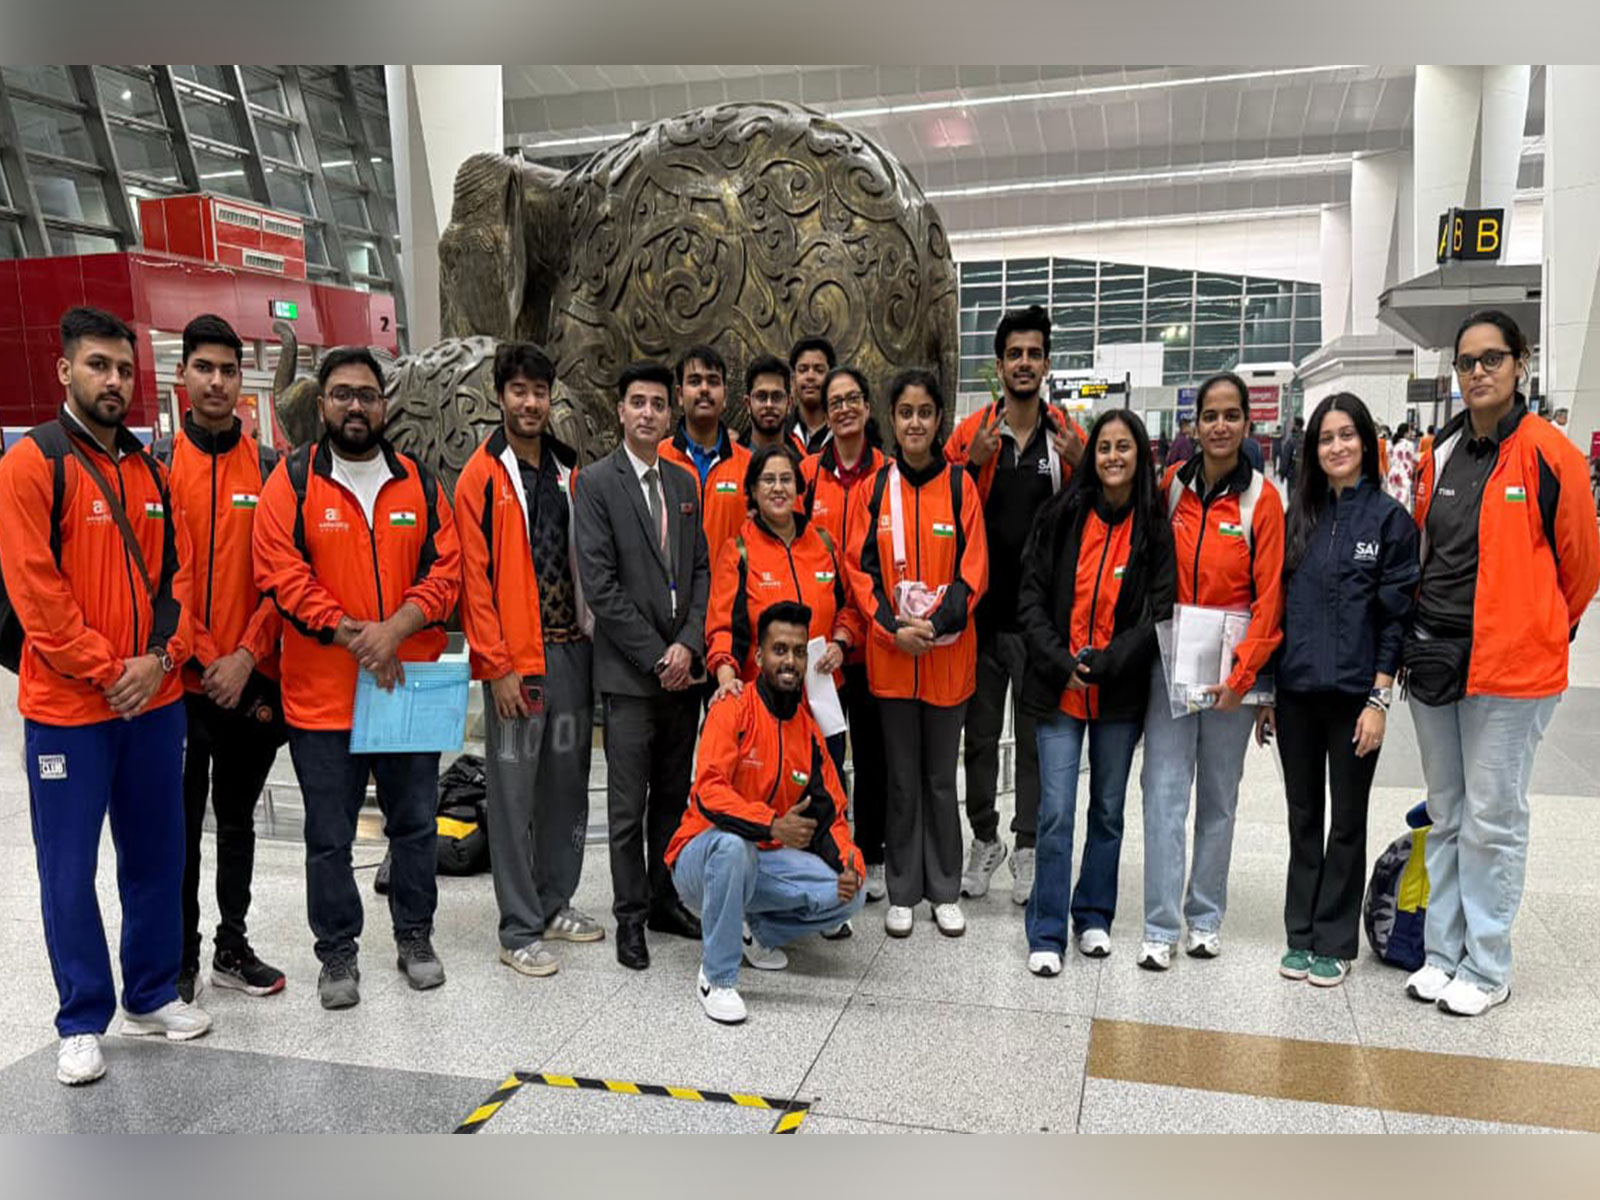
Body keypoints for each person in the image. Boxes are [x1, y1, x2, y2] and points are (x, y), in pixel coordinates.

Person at [0, 306, 207, 1086]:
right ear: (65, 371)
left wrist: (159, 661)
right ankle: (80, 1018)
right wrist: (106, 668)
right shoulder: (32, 465)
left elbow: (175, 582)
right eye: (98, 366)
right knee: (67, 866)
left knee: (156, 853)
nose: (114, 381)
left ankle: (150, 993)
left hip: (153, 705)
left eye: (124, 369)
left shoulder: (149, 471)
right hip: (70, 715)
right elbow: (35, 593)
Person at [1402, 309, 1598, 1016]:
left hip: (1510, 673)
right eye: (1466, 362)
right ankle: (1441, 954)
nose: (1477, 372)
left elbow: (1581, 567)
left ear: (1521, 364)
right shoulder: (1439, 453)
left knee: (1493, 817)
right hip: (1435, 664)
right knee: (1449, 813)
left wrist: (1542, 625)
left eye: (1491, 359)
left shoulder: (1551, 454)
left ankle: (1487, 967)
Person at [254, 346, 462, 1010]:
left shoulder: (419, 483)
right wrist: (355, 635)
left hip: (403, 691)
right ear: (321, 406)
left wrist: (393, 631)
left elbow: (446, 571)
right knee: (329, 838)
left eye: (366, 394)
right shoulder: (292, 482)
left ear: (384, 405)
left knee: (415, 827)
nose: (354, 405)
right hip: (322, 702)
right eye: (341, 394)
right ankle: (337, 953)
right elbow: (281, 574)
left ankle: (415, 937)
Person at [1255, 394, 1419, 988]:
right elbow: (1274, 609)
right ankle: (1299, 933)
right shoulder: (1299, 515)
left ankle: (1334, 939)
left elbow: (1394, 617)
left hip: (1355, 698)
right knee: (1303, 816)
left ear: (1367, 443)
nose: (1337, 447)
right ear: (1312, 449)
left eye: (1347, 435)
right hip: (1296, 693)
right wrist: (1266, 694)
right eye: (1326, 438)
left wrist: (1379, 700)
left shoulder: (1390, 521)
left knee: (1346, 819)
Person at [454, 343, 601, 980]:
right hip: (517, 665)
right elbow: (474, 581)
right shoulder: (480, 478)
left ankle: (553, 901)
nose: (530, 402)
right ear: (501, 396)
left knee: (566, 787)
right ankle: (517, 927)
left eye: (539, 391)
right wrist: (496, 666)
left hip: (571, 654)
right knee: (513, 795)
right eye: (518, 390)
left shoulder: (571, 472)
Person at [1016, 409, 1174, 974]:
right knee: (1056, 811)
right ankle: (1047, 929)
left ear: (1139, 455)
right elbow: (1029, 600)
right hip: (1058, 687)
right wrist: (1062, 662)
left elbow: (1160, 611)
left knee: (1107, 809)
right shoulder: (1061, 515)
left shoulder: (1155, 527)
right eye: (1103, 446)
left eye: (1122, 447)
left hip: (1118, 693)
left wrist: (1110, 661)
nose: (1111, 456)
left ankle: (1094, 917)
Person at [160, 314, 287, 1004]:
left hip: (251, 677)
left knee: (237, 819)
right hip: (179, 683)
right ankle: (179, 955)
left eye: (228, 370)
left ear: (243, 381)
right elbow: (163, 577)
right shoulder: (154, 467)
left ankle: (231, 946)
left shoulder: (270, 468)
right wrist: (209, 655)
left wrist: (245, 655)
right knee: (179, 826)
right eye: (203, 367)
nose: (216, 381)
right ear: (182, 376)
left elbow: (281, 575)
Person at [1139, 371, 1285, 970]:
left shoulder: (1263, 501)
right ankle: (1158, 925)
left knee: (1220, 797)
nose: (1220, 426)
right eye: (1210, 416)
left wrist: (1246, 676)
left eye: (1231, 415)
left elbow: (1272, 597)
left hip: (1233, 670)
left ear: (1247, 424)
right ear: (1193, 425)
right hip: (1172, 661)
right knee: (1164, 792)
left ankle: (1204, 917)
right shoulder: (1171, 487)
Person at [943, 305, 1085, 906]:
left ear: (1046, 363)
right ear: (999, 365)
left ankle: (1027, 845)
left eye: (1034, 353)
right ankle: (984, 838)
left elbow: (1093, 513)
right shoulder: (973, 432)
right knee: (977, 738)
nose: (1024, 363)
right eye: (1014, 354)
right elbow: (938, 506)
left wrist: (1080, 464)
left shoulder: (1066, 436)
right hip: (981, 616)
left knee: (1032, 738)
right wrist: (969, 462)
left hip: (1037, 623)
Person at [668, 602, 866, 1023]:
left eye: (797, 652)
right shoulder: (731, 707)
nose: (789, 661)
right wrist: (771, 823)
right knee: (733, 848)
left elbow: (831, 814)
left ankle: (754, 931)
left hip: (762, 858)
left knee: (851, 894)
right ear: (759, 657)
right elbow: (709, 793)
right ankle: (717, 977)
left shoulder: (809, 730)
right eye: (779, 650)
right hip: (699, 858)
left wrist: (850, 863)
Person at [574, 360, 711, 971]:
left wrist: (688, 645)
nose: (649, 413)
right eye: (638, 403)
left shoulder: (684, 485)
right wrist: (659, 657)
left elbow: (701, 572)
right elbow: (601, 588)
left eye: (659, 403)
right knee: (627, 809)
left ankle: (663, 901)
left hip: (684, 678)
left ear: (670, 411)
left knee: (675, 800)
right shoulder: (597, 484)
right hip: (631, 679)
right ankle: (629, 916)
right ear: (620, 411)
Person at [847, 368, 988, 938]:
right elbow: (859, 573)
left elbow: (974, 571)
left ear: (938, 420)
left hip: (948, 660)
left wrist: (933, 624)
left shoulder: (960, 487)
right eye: (905, 412)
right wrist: (891, 628)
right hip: (891, 659)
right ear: (894, 418)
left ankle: (944, 888)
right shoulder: (874, 490)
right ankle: (903, 889)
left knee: (938, 779)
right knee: (901, 778)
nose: (914, 422)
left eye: (925, 412)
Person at [705, 444, 864, 779]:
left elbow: (849, 607)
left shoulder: (823, 544)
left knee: (827, 798)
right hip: (765, 706)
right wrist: (726, 677)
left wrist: (841, 642)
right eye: (768, 480)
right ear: (752, 489)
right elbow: (722, 630)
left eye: (786, 479)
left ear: (798, 488)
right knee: (771, 802)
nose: (778, 488)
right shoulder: (738, 552)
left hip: (822, 701)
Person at [802, 366, 890, 902]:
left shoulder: (888, 473)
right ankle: (828, 857)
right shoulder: (808, 474)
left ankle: (874, 853)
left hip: (876, 640)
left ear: (867, 406)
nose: (843, 409)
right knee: (826, 760)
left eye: (853, 398)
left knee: (875, 756)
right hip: (823, 651)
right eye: (835, 401)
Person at [658, 344, 751, 563]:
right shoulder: (657, 458)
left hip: (731, 594)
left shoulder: (749, 466)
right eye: (694, 381)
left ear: (725, 396)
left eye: (713, 381)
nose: (704, 389)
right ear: (679, 395)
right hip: (670, 594)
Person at [737, 354, 806, 457]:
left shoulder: (806, 467)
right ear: (748, 404)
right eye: (761, 397)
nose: (769, 405)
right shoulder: (726, 462)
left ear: (789, 404)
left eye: (777, 397)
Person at [788, 336, 836, 455]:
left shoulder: (843, 431)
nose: (810, 376)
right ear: (793, 380)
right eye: (803, 370)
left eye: (819, 370)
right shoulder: (780, 432)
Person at [1385, 421, 1418, 512]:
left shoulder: (1393, 444)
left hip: (1393, 475)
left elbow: (1389, 460)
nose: (1412, 433)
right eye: (1410, 431)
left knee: (1393, 500)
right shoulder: (1409, 445)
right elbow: (1414, 460)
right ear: (1405, 433)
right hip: (1403, 476)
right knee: (1404, 503)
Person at [1277, 415, 1304, 490]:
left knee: (1293, 499)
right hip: (1304, 477)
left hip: (1293, 477)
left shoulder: (1291, 441)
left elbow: (1285, 459)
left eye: (1293, 424)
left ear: (1296, 426)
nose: (1291, 425)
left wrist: (1282, 473)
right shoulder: (1307, 439)